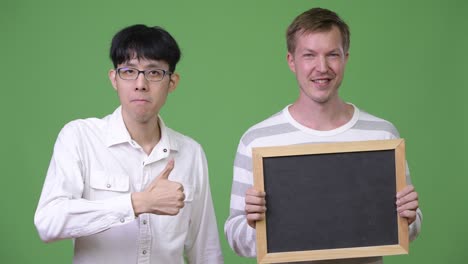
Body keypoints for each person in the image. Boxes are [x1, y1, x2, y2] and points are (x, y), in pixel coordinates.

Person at [224, 7, 422, 264]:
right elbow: (236, 239)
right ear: (291, 61)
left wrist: (409, 217)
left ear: (346, 58)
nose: (322, 67)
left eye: (332, 55)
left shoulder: (382, 135)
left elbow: (409, 228)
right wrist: (253, 225)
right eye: (309, 55)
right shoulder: (257, 140)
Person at [34, 24, 223, 264]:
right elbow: (48, 222)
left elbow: (205, 250)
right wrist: (138, 203)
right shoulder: (80, 137)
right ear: (114, 79)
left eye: (154, 72)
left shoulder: (191, 152)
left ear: (172, 82)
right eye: (129, 71)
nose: (140, 84)